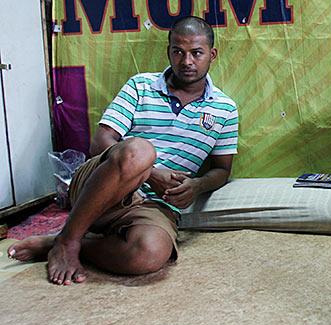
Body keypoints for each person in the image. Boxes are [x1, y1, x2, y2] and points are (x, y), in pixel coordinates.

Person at [8, 16, 238, 285]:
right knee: (141, 151)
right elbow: (101, 142)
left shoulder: (224, 109)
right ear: (169, 52)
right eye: (178, 51)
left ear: (212, 55)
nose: (186, 61)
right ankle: (68, 241)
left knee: (149, 255)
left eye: (196, 53)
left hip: (155, 205)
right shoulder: (140, 86)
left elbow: (222, 170)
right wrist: (149, 174)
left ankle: (61, 242)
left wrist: (196, 186)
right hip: (101, 184)